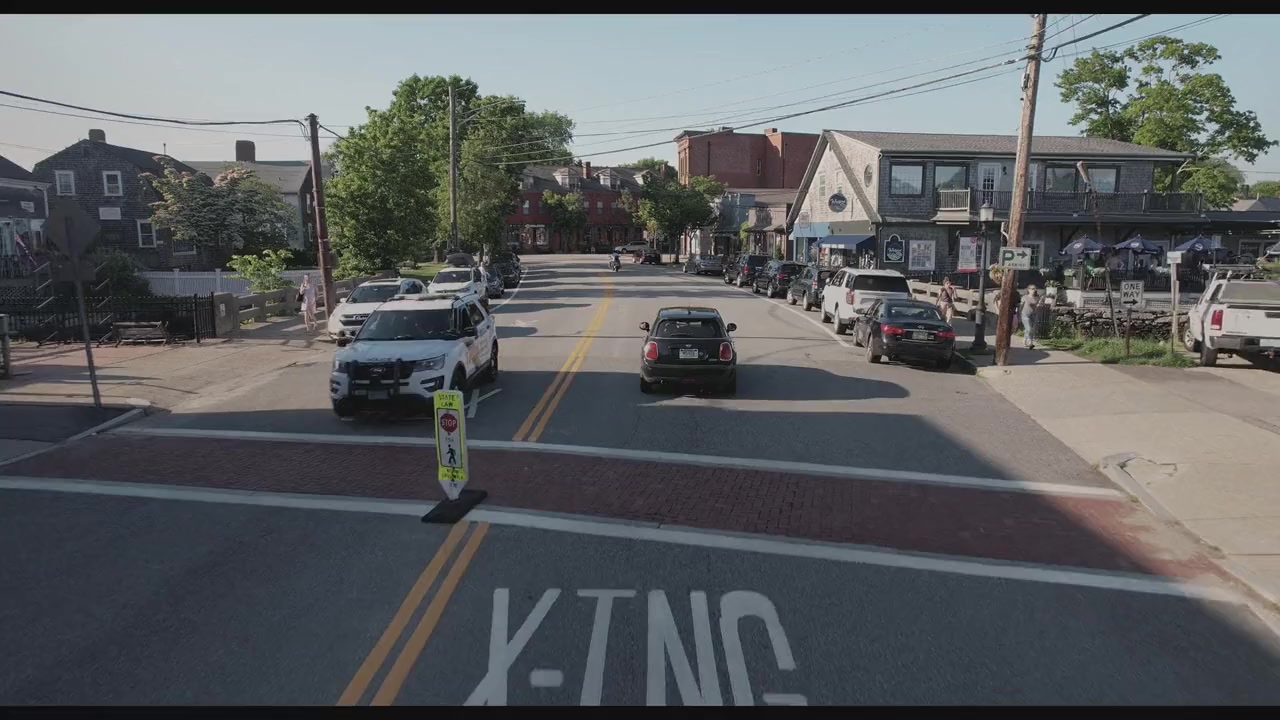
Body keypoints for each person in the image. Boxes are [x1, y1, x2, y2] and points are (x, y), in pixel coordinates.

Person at [1020, 284, 1041, 350]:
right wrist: (1018, 314)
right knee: (1029, 329)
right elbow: (1020, 306)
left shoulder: (1037, 297)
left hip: (1033, 315)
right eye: (1032, 289)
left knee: (1031, 329)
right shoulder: (1025, 297)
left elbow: (1038, 305)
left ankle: (1025, 339)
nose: (1034, 290)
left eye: (1035, 288)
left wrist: (1038, 305)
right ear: (1028, 290)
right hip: (1025, 314)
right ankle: (1030, 342)